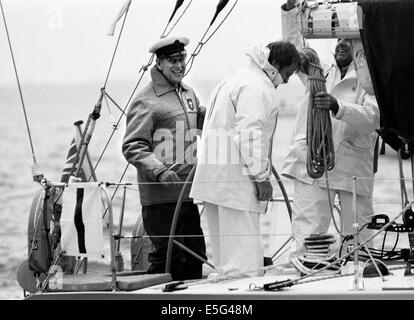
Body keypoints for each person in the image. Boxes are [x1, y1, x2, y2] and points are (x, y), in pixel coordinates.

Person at [190, 41, 300, 278]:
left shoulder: (234, 79)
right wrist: (262, 178)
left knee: (224, 264)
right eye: (288, 74)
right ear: (276, 66)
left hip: (215, 182)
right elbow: (250, 135)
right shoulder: (257, 87)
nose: (288, 81)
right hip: (236, 185)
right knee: (244, 267)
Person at [280, 0, 380, 257]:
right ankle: (307, 271)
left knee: (358, 235)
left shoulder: (372, 81)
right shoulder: (319, 71)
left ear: (361, 46)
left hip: (352, 166)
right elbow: (295, 49)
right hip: (313, 162)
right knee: (310, 231)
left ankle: (357, 276)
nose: (341, 43)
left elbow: (373, 118)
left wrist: (339, 107)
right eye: (339, 40)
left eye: (349, 40)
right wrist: (291, 10)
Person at [122, 36, 207, 281]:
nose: (179, 65)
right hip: (160, 197)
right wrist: (159, 170)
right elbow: (133, 146)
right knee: (167, 257)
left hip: (187, 194)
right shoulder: (146, 100)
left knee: (194, 255)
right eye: (173, 60)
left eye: (182, 59)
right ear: (159, 63)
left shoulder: (188, 93)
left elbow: (201, 122)